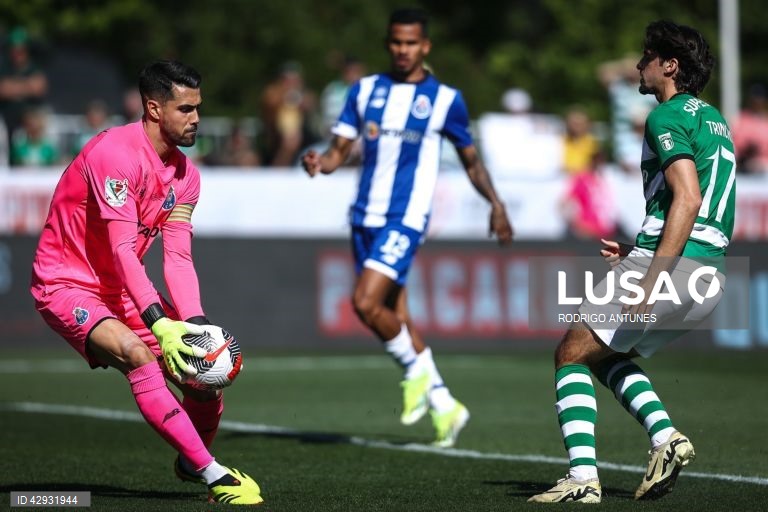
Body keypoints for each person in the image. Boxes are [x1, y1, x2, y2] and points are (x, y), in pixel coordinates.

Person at [29, 60, 263, 505]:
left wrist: (194, 325)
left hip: (121, 289)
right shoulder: (114, 155)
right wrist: (158, 322)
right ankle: (216, 476)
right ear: (154, 109)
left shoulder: (186, 176)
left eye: (198, 108)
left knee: (204, 383)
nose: (196, 118)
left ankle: (192, 461)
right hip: (65, 283)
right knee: (139, 357)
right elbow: (121, 248)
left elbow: (176, 255)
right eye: (185, 109)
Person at [530, 20, 735, 503]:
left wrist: (652, 273)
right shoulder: (713, 118)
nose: (639, 64)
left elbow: (687, 198)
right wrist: (641, 247)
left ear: (670, 65)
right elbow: (694, 208)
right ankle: (666, 439)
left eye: (647, 56)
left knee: (570, 353)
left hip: (671, 268)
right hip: (711, 274)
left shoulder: (666, 116)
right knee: (610, 356)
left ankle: (583, 479)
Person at [302, 8, 514, 448]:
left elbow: (472, 161)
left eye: (411, 43)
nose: (403, 50)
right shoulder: (364, 91)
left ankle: (416, 375)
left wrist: (495, 204)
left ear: (425, 46)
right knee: (396, 315)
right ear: (389, 44)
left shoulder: (445, 100)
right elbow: (339, 150)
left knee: (364, 303)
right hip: (363, 217)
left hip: (406, 218)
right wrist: (320, 163)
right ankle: (446, 406)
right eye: (396, 42)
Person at [0, 27, 48, 149]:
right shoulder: (4, 67)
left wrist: (12, 87)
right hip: (7, 118)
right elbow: (3, 90)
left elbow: (39, 88)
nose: (17, 53)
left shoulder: (34, 67)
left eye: (21, 49)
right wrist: (27, 86)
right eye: (14, 49)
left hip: (30, 121)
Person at [731, 83, 768, 174]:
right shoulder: (742, 119)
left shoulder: (765, 120)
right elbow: (735, 144)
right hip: (747, 165)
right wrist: (748, 146)